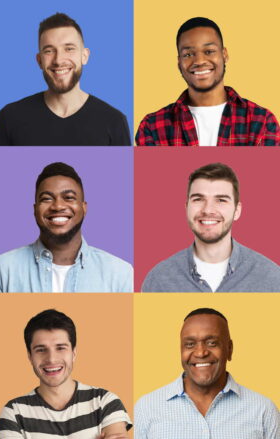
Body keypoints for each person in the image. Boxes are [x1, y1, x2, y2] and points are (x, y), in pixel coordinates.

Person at [134, 308, 280, 438]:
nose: (200, 353)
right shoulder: (147, 407)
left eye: (212, 343)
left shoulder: (263, 410)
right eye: (190, 344)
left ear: (229, 349)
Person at [0, 162, 132, 292]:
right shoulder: (2, 270)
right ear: (35, 209)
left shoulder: (120, 273)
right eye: (47, 199)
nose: (58, 206)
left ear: (84, 208)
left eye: (69, 197)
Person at [0, 13, 130, 146]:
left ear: (85, 56)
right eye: (49, 51)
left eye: (69, 49)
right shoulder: (9, 118)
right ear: (39, 60)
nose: (58, 60)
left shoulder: (114, 121)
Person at [136, 17, 279, 146]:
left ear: (224, 55)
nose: (199, 61)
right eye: (188, 54)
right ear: (179, 62)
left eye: (209, 51)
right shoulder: (152, 126)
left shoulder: (262, 122)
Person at [142, 163, 280, 292]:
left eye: (221, 200)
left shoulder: (272, 278)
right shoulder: (158, 280)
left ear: (237, 211)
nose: (208, 210)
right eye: (198, 199)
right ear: (187, 207)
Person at [0, 309, 130, 438]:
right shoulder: (13, 412)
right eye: (41, 350)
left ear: (74, 353)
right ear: (30, 356)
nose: (51, 359)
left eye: (60, 348)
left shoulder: (105, 401)